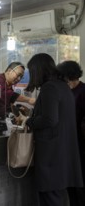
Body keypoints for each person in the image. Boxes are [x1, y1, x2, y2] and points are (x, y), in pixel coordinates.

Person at [24, 53, 83, 206]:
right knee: (58, 197)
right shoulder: (62, 86)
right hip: (62, 152)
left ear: (38, 70)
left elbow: (50, 119)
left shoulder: (49, 88)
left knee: (50, 198)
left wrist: (29, 121)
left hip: (52, 155)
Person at [57, 60, 85, 206]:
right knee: (70, 181)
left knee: (80, 182)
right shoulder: (65, 92)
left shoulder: (82, 91)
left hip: (80, 143)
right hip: (67, 142)